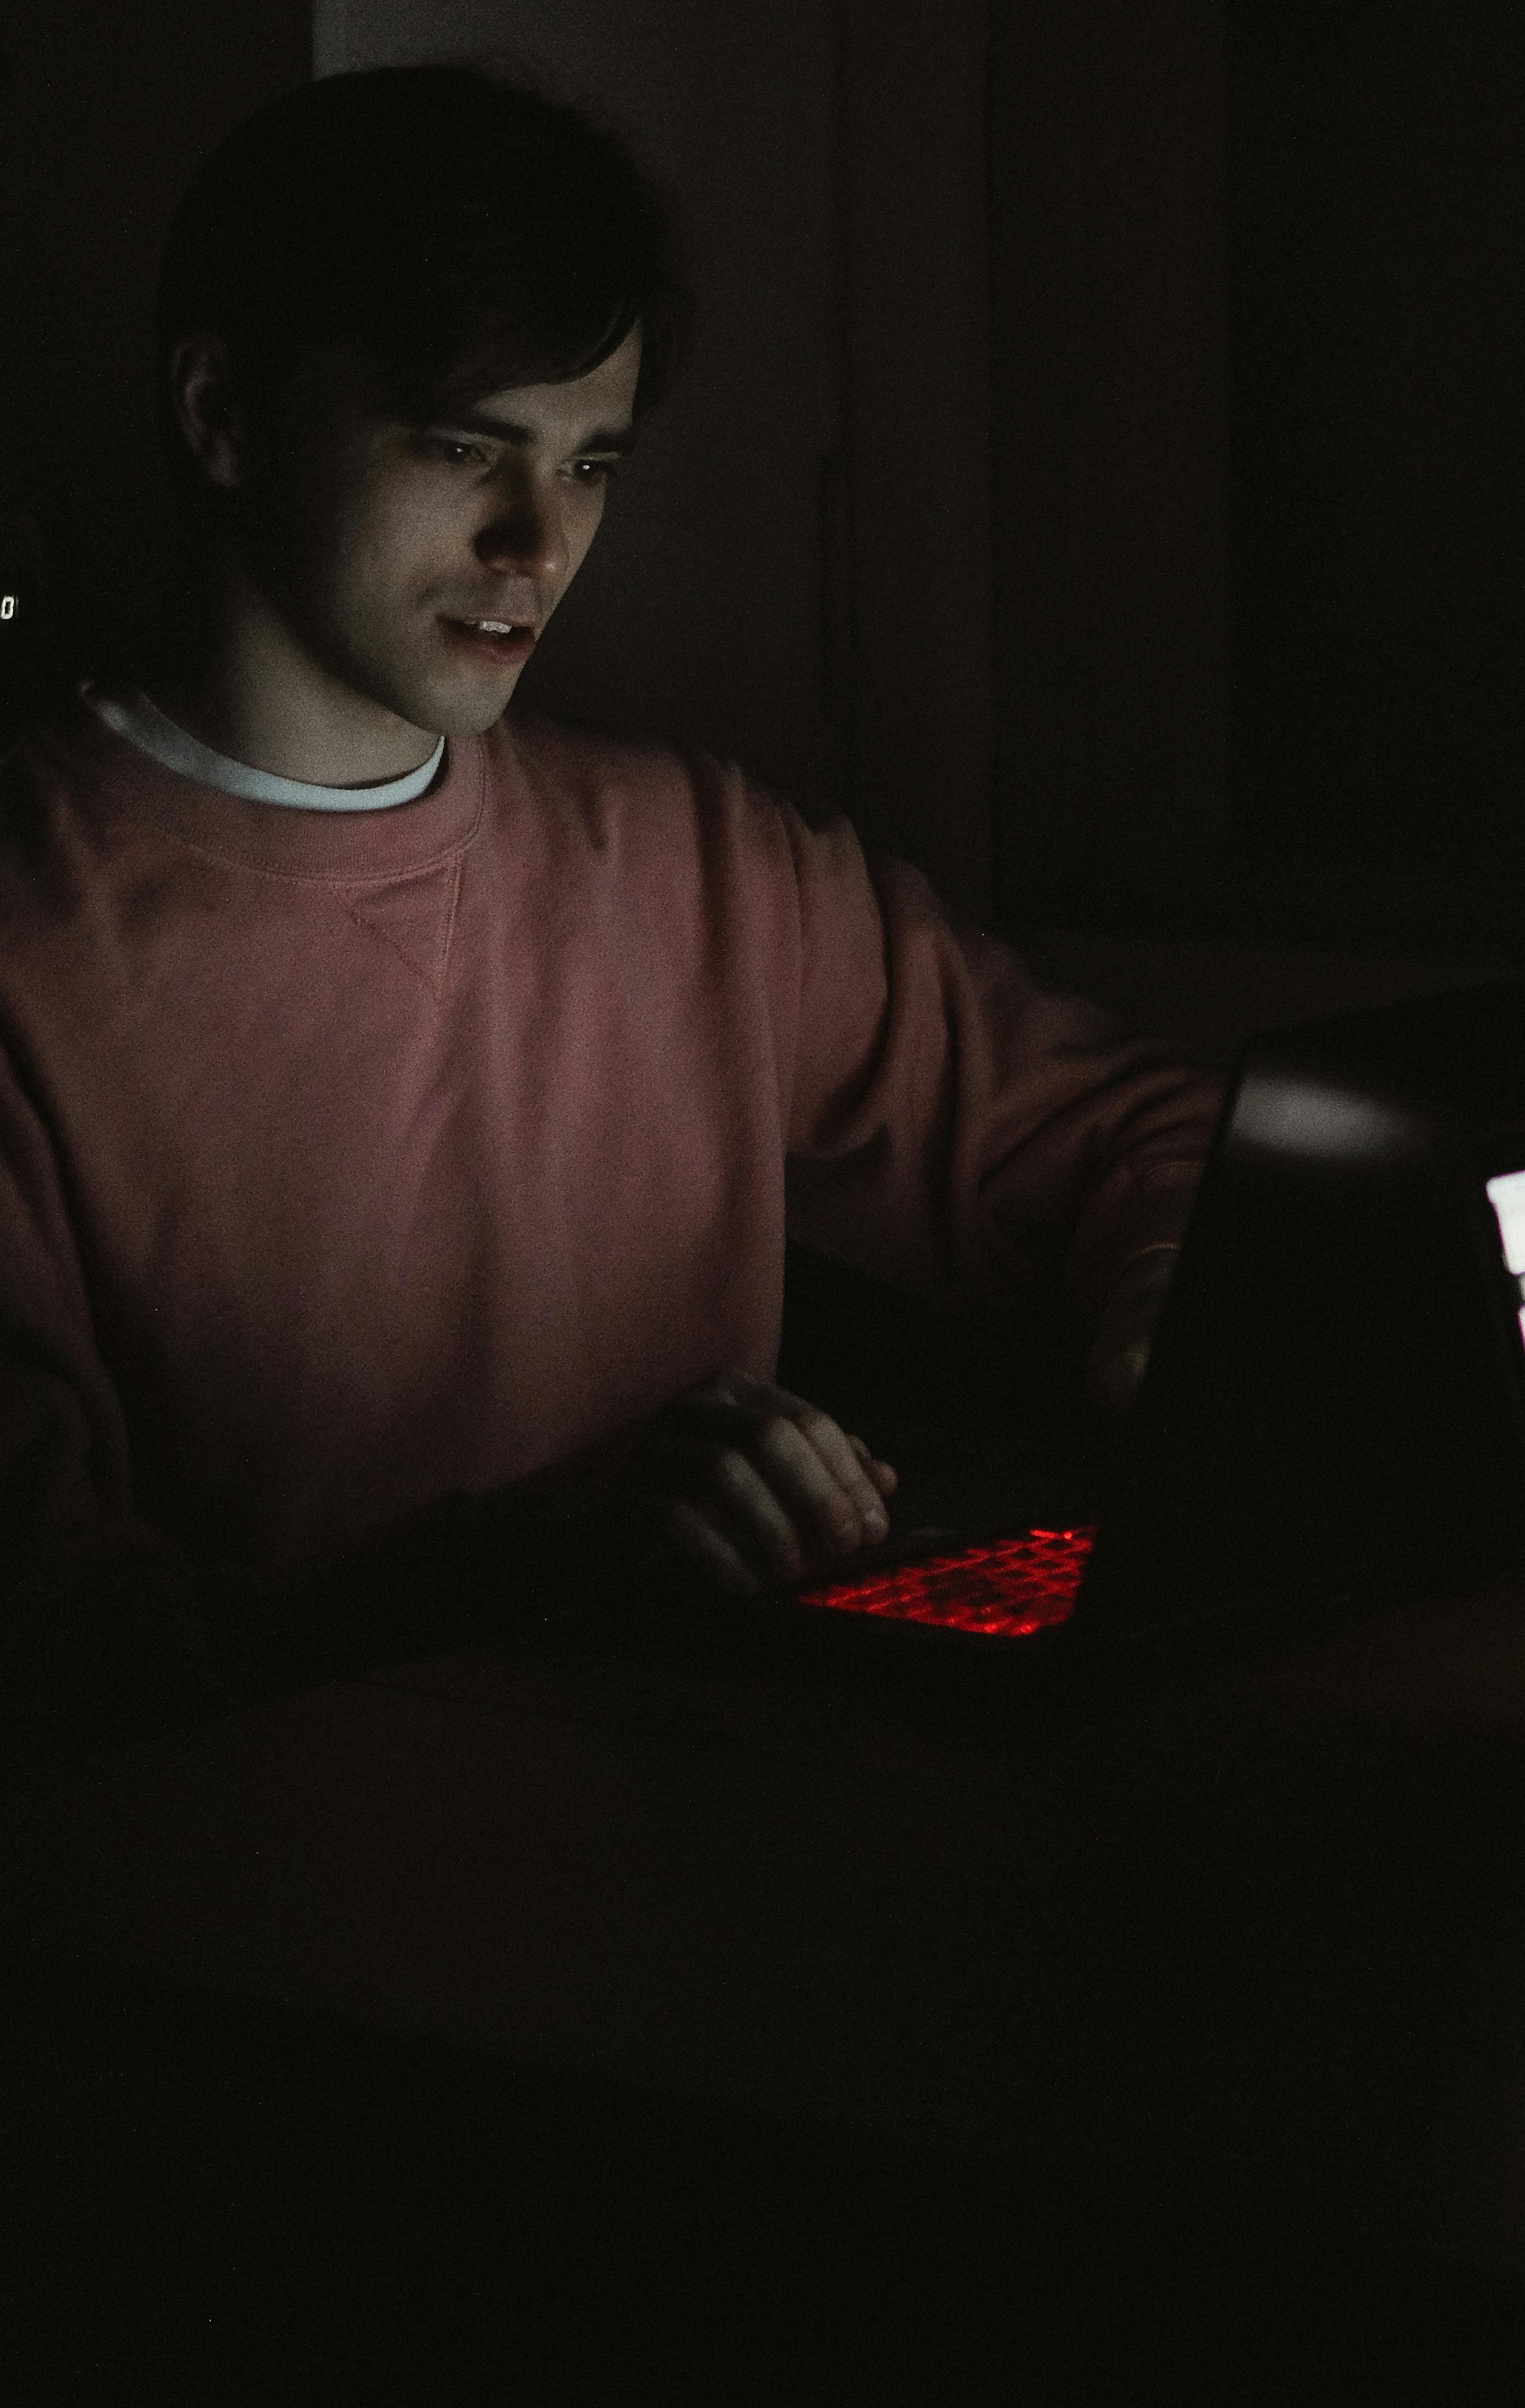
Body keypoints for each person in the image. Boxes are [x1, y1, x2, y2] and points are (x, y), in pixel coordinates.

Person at [0, 68, 1216, 1761]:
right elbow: (56, 1664)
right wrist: (536, 1557)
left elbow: (1141, 1131)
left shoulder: (707, 866)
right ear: (220, 412)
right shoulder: (35, 946)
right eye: (458, 448)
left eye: (589, 464)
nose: (537, 541)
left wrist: (1167, 1298)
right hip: (247, 1946)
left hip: (711, 1861)